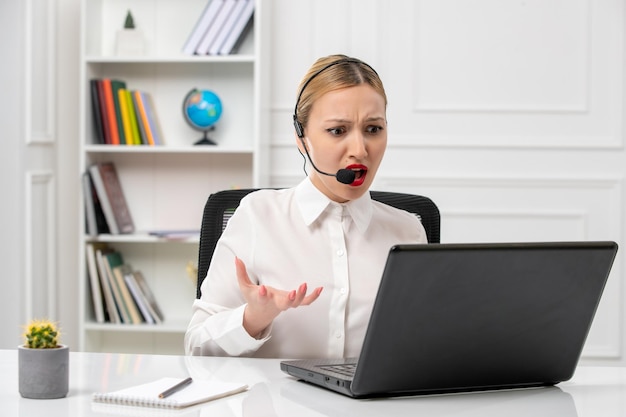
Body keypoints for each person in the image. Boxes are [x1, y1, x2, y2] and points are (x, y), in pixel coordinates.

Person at [185, 54, 427, 358]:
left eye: (373, 129)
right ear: (302, 138)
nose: (360, 150)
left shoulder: (408, 230)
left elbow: (421, 348)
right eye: (338, 130)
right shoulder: (257, 216)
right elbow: (196, 347)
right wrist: (253, 318)